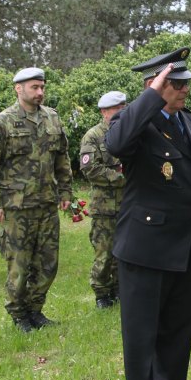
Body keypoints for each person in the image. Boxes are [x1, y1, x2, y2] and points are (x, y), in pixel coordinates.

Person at [105, 48, 191, 380]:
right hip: (145, 246)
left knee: (178, 327)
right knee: (142, 333)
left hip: (182, 243)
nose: (184, 90)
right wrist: (151, 95)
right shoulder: (133, 121)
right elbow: (116, 145)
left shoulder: (189, 122)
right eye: (176, 84)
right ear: (155, 84)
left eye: (185, 83)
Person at [0, 68, 73, 332]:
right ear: (18, 89)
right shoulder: (1, 122)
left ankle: (35, 309)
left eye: (42, 87)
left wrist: (66, 191)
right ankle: (19, 314)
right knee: (19, 265)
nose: (40, 92)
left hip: (46, 204)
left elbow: (62, 157)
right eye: (34, 87)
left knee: (48, 264)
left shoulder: (52, 118)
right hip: (17, 208)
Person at [80, 90, 127, 309]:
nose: (121, 112)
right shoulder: (93, 136)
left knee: (124, 251)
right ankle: (101, 293)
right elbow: (90, 169)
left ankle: (119, 289)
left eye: (123, 108)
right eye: (116, 109)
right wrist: (122, 177)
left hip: (128, 204)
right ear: (104, 112)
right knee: (104, 253)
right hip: (104, 207)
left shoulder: (129, 133)